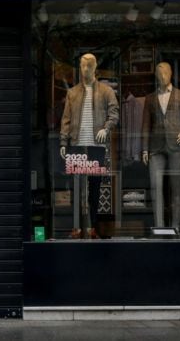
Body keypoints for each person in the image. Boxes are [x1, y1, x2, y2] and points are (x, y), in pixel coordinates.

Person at [59, 53, 119, 239]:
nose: (85, 69)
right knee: (77, 188)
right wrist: (63, 141)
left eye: (88, 66)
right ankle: (78, 228)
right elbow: (66, 119)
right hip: (77, 144)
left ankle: (93, 228)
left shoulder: (106, 91)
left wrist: (106, 129)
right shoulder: (73, 92)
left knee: (94, 189)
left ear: (94, 68)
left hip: (96, 146)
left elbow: (114, 113)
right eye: (83, 66)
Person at [141, 62, 180, 233]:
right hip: (156, 148)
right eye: (159, 72)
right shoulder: (150, 98)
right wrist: (144, 149)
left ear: (171, 74)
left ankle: (176, 225)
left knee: (175, 187)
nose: (162, 75)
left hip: (176, 146)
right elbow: (145, 126)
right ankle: (159, 226)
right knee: (155, 186)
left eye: (165, 72)